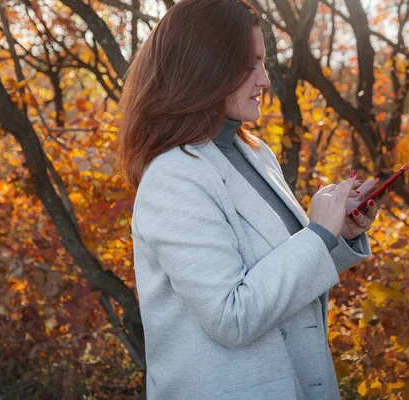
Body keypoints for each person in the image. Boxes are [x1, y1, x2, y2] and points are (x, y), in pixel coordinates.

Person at [115, 0, 381, 398]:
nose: (265, 80)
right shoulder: (173, 177)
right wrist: (318, 235)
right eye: (250, 64)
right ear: (205, 68)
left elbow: (279, 274)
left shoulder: (253, 154)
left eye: (263, 62)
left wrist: (337, 234)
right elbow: (231, 315)